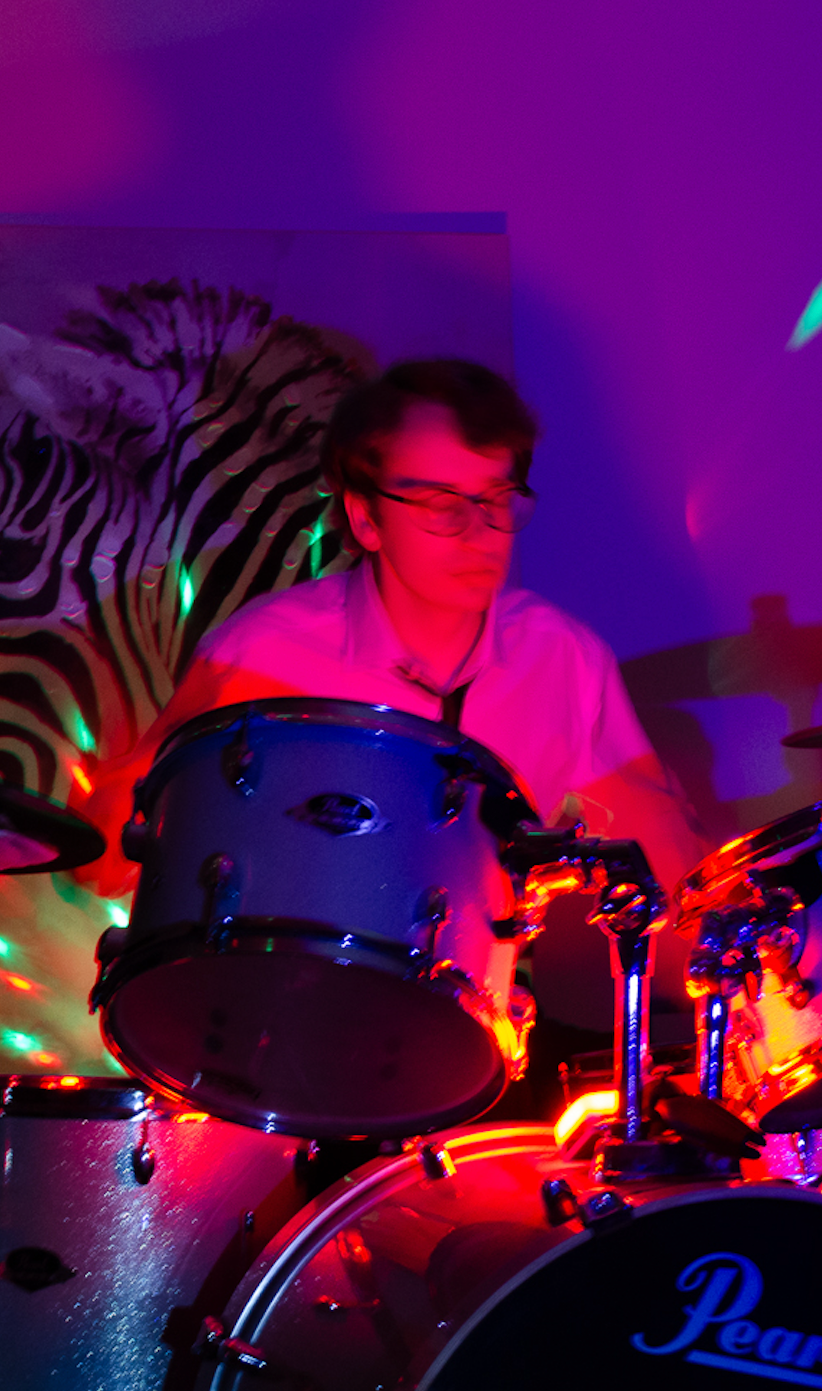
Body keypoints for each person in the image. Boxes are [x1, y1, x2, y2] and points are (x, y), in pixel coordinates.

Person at [82, 359, 707, 1024]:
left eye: (496, 499)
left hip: (471, 1039)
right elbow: (114, 849)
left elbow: (664, 854)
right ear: (367, 518)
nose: (480, 531)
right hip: (265, 1030)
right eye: (443, 505)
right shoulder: (264, 652)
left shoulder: (562, 659)